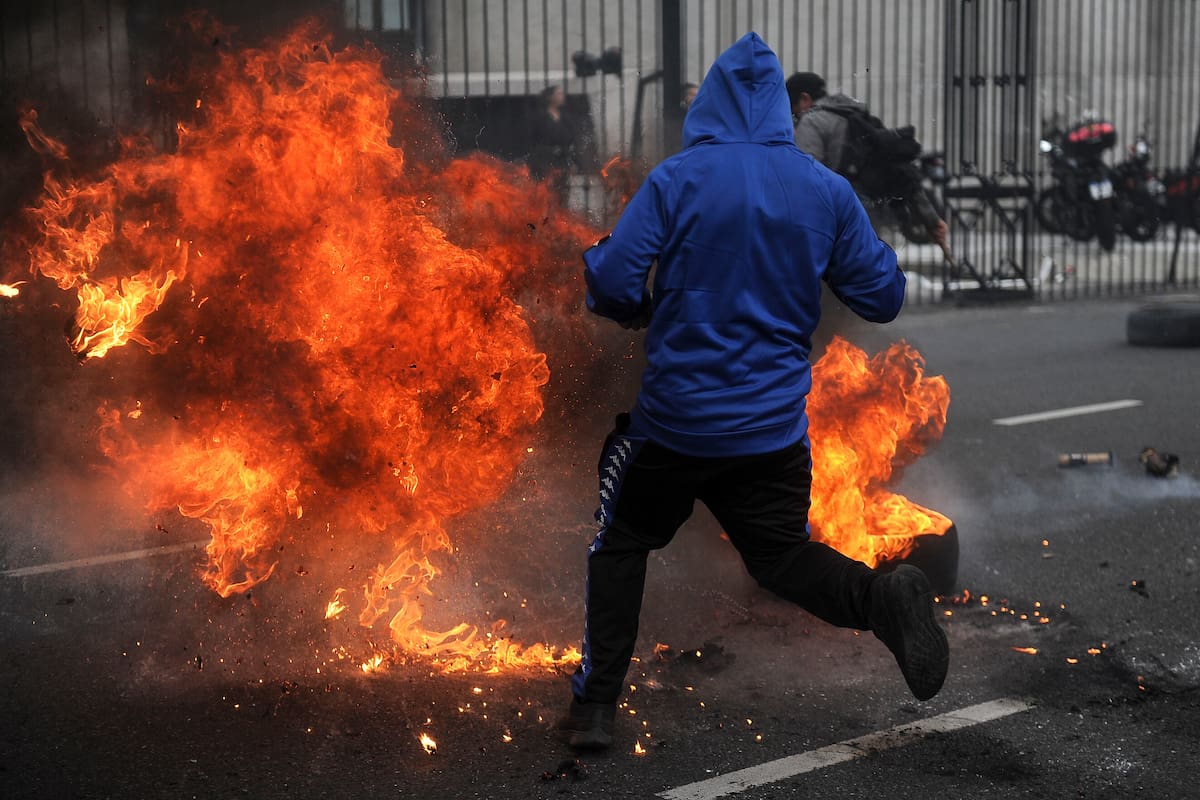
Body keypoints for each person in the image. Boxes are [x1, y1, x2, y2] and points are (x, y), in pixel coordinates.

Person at [558, 33, 950, 752]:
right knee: (782, 558)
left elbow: (611, 280)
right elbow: (882, 294)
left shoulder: (678, 180)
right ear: (779, 108)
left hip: (673, 428)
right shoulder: (823, 190)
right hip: (770, 435)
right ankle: (881, 601)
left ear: (707, 104)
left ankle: (596, 708)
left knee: (621, 543)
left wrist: (638, 310)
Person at [787, 71, 949, 250]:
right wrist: (932, 220)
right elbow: (900, 169)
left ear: (804, 99)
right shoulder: (855, 114)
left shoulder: (811, 121)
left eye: (793, 111)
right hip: (870, 213)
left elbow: (806, 177)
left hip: (837, 219)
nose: (794, 118)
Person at [529, 85, 577, 202]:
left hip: (562, 163)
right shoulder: (540, 117)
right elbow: (534, 141)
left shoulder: (566, 117)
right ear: (550, 97)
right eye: (559, 93)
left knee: (562, 196)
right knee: (545, 196)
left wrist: (571, 162)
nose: (562, 96)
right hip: (545, 162)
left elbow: (571, 140)